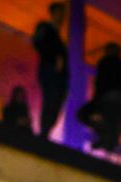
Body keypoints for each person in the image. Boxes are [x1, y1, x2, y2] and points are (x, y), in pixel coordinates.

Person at [89, 42, 121, 151]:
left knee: (106, 120)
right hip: (119, 100)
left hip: (109, 98)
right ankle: (109, 143)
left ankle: (107, 141)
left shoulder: (105, 63)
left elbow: (100, 82)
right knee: (112, 122)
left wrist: (97, 99)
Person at [32, 2, 67, 140]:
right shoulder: (45, 28)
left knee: (55, 102)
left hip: (57, 75)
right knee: (51, 100)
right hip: (49, 70)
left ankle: (45, 132)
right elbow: (37, 42)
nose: (62, 16)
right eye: (59, 13)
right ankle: (44, 132)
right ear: (53, 13)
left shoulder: (57, 36)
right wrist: (54, 58)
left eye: (62, 14)